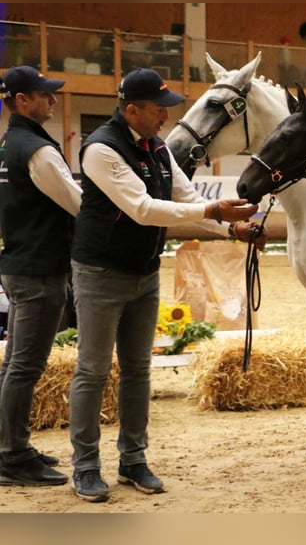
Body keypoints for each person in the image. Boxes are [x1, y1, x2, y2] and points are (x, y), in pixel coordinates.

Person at [68, 68, 262, 503]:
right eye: (159, 109)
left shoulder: (157, 147)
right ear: (131, 109)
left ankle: (133, 460)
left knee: (137, 371)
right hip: (99, 274)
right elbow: (142, 208)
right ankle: (84, 467)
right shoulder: (100, 149)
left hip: (143, 272)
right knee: (93, 372)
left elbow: (188, 200)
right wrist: (215, 211)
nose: (165, 118)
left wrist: (232, 230)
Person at [0, 66, 81, 486]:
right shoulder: (36, 149)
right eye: (44, 95)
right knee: (24, 368)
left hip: (19, 264)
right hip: (39, 269)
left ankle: (12, 447)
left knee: (15, 365)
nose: (52, 100)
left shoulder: (10, 143)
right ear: (21, 101)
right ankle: (12, 457)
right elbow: (76, 203)